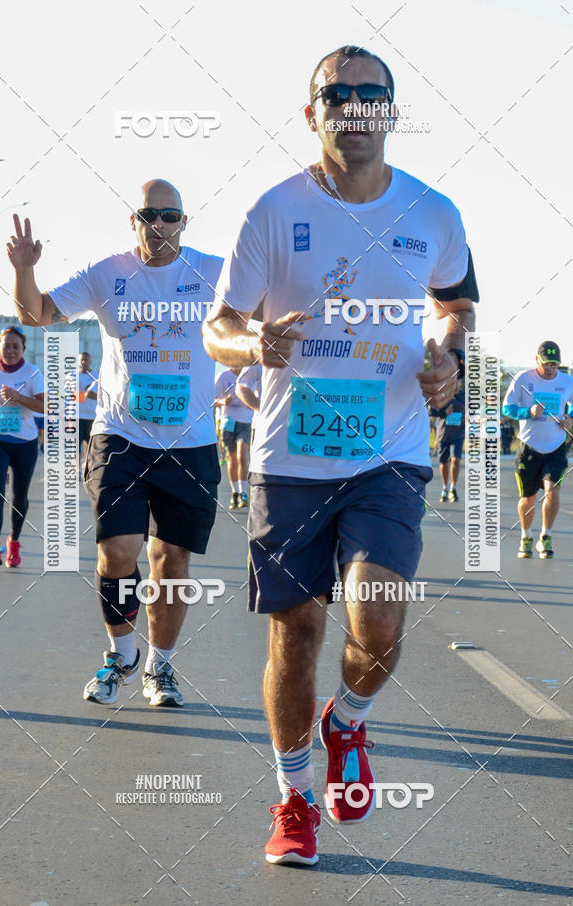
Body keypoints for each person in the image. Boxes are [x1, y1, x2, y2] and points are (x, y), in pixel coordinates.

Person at [203, 45, 477, 865]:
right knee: (295, 633)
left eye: (370, 94)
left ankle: (346, 723)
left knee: (379, 620)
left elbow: (456, 301)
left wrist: (448, 352)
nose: (353, 106)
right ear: (312, 111)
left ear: (389, 111)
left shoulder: (434, 212)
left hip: (387, 452)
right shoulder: (271, 211)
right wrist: (254, 346)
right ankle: (292, 801)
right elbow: (217, 330)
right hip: (290, 459)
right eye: (336, 93)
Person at [8, 179, 223, 705]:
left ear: (184, 222)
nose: (158, 225)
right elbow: (35, 314)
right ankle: (120, 651)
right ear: (134, 221)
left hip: (190, 443)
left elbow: (274, 305)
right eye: (148, 215)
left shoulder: (216, 272)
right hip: (120, 436)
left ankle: (160, 667)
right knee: (117, 552)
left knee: (171, 562)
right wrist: (23, 268)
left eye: (168, 215)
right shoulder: (109, 273)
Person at [0, 326, 44, 568]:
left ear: (23, 349)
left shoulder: (33, 373)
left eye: (15, 346)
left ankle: (14, 540)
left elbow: (46, 407)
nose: (11, 350)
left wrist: (19, 397)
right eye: (6, 345)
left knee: (19, 496)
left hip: (25, 442)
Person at [503, 341, 573, 559]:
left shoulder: (567, 381)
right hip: (529, 449)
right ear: (537, 361)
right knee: (528, 499)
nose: (551, 368)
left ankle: (546, 535)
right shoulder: (523, 379)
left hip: (556, 448)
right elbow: (507, 408)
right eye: (546, 364)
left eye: (554, 364)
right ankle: (526, 536)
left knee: (552, 491)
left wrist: (570, 418)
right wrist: (528, 412)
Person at [214, 367, 254, 508]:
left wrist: (253, 403)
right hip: (228, 422)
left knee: (242, 456)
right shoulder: (223, 377)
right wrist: (224, 401)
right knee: (232, 459)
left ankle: (243, 493)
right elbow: (213, 400)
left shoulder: (251, 373)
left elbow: (259, 396)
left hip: (246, 422)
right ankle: (235, 492)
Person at [429, 385, 465, 501]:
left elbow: (474, 412)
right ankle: (445, 487)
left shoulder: (464, 396)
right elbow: (432, 411)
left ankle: (453, 488)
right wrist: (444, 412)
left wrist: (468, 417)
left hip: (458, 433)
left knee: (455, 459)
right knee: (444, 463)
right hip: (443, 434)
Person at [77, 352, 98, 474]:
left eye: (86, 360)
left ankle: (87, 465)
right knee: (75, 445)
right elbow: (69, 395)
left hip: (92, 416)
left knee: (89, 444)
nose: (83, 362)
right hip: (76, 416)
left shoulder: (96, 375)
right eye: (81, 360)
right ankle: (77, 469)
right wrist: (86, 396)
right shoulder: (72, 376)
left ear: (90, 361)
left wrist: (91, 396)